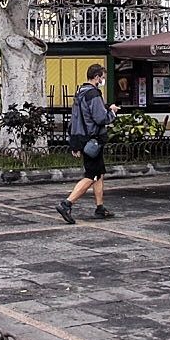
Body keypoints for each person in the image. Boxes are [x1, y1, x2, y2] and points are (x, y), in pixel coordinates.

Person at [58, 64, 114, 224]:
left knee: (99, 173)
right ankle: (66, 203)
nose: (103, 80)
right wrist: (112, 112)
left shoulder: (80, 93)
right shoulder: (93, 94)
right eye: (102, 77)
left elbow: (75, 120)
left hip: (82, 138)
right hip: (93, 140)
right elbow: (100, 118)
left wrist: (74, 143)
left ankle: (100, 207)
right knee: (92, 175)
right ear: (96, 77)